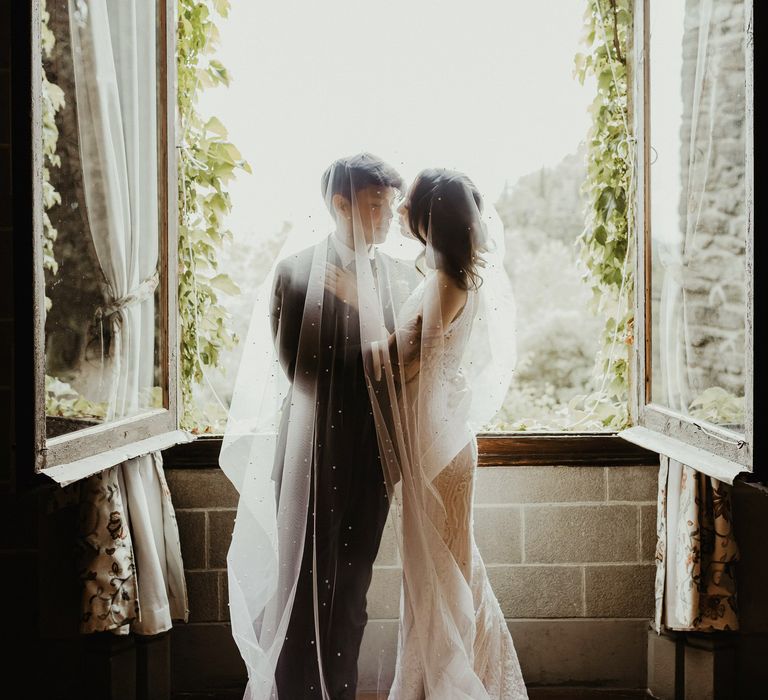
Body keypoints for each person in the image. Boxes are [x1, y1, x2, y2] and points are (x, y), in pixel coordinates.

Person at [220, 153, 421, 699]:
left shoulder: (401, 275)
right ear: (341, 204)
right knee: (304, 579)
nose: (385, 217)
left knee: (354, 588)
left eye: (389, 205)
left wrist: (371, 321)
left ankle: (343, 692)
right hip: (311, 447)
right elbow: (298, 370)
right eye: (375, 204)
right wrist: (372, 346)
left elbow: (407, 367)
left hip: (373, 453)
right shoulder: (295, 270)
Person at [325, 168, 528, 698]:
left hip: (439, 449)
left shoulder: (444, 282)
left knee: (443, 574)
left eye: (406, 202)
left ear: (428, 217)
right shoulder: (447, 275)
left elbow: (396, 362)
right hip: (436, 440)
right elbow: (415, 368)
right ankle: (433, 682)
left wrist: (357, 299)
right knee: (438, 574)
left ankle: (456, 684)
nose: (397, 209)